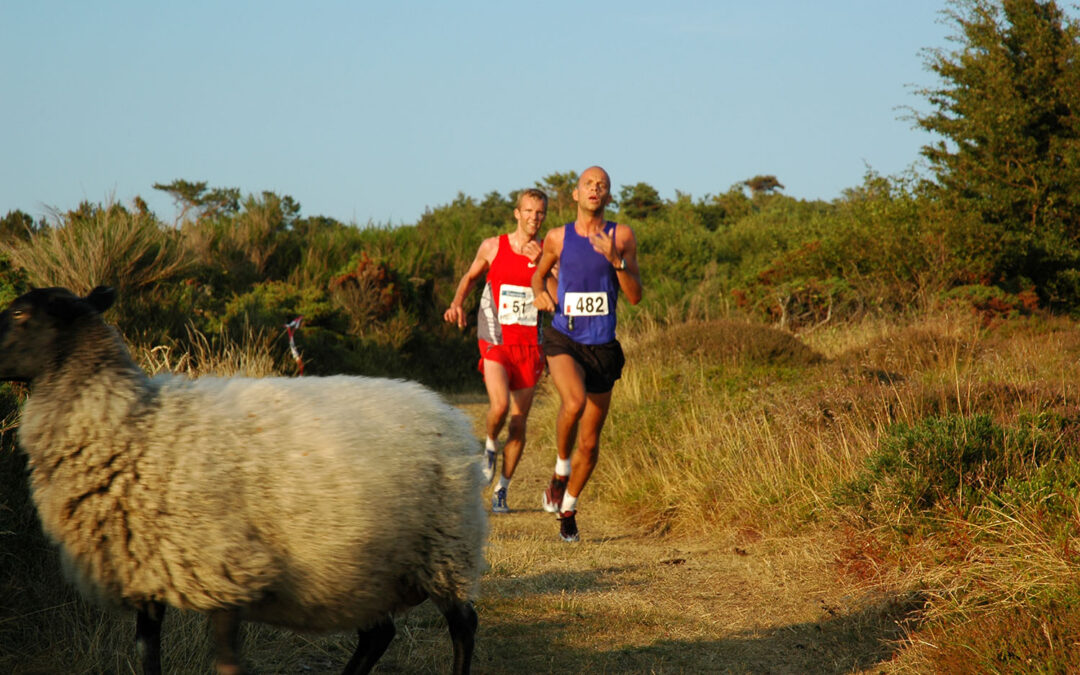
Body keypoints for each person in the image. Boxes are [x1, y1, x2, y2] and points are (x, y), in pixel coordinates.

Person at [531, 166, 642, 542]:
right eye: (588, 184)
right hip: (564, 337)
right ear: (575, 194)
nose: (595, 189)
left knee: (591, 443)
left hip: (603, 347)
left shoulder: (621, 235)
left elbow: (635, 295)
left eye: (603, 185)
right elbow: (538, 274)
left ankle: (568, 508)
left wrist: (616, 260)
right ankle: (560, 470)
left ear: (608, 197)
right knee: (573, 402)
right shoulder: (557, 237)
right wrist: (540, 292)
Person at [444, 188, 548, 513]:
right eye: (528, 211)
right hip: (495, 337)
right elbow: (471, 276)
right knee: (500, 405)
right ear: (517, 213)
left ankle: (502, 488)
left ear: (544, 217)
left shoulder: (548, 251)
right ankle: (490, 445)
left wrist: (542, 264)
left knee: (518, 423)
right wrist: (457, 303)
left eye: (540, 213)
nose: (533, 217)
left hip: (530, 344)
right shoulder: (493, 246)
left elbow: (559, 295)